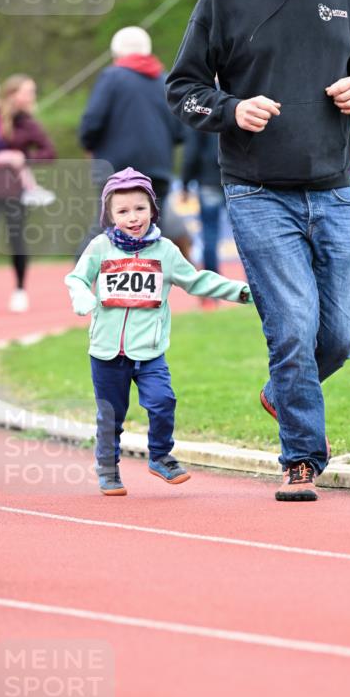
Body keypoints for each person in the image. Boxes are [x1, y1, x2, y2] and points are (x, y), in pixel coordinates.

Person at [166, 0, 350, 502]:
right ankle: (301, 458)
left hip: (334, 188)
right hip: (257, 189)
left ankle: (281, 392)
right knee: (293, 326)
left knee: (342, 332)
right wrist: (230, 110)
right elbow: (183, 89)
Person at [64, 168, 253, 497]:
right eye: (122, 211)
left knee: (163, 401)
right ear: (109, 215)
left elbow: (197, 281)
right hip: (107, 352)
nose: (133, 217)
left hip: (149, 351)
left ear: (153, 209)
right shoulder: (99, 247)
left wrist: (239, 291)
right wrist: (82, 297)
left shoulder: (164, 250)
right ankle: (107, 467)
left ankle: (161, 456)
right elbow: (77, 279)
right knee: (111, 415)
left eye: (140, 208)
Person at [0, 74, 56, 313]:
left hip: (14, 189)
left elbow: (49, 152)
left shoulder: (27, 123)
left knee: (17, 239)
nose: (32, 97)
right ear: (13, 93)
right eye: (28, 91)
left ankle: (20, 289)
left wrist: (23, 158)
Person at [78, 26, 184, 224]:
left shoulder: (112, 77)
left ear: (116, 52)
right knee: (152, 233)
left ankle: (85, 258)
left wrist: (88, 144)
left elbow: (92, 121)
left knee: (109, 230)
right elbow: (180, 131)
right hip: (158, 169)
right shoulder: (166, 81)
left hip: (116, 170)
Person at [180, 124, 225, 308]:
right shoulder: (238, 98)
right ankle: (254, 288)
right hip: (237, 177)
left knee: (209, 235)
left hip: (208, 179)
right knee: (246, 234)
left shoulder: (202, 106)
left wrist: (185, 183)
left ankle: (213, 291)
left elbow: (191, 151)